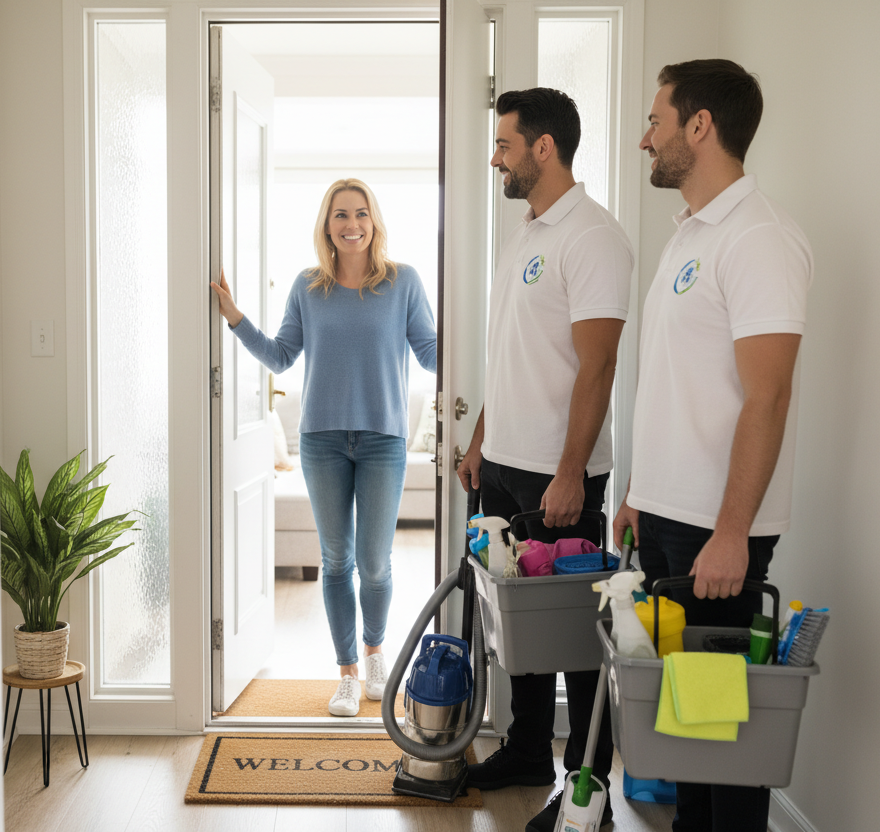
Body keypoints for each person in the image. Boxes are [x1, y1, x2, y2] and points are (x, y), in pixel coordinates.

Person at [613, 60, 813, 832]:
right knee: (683, 732)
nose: (645, 138)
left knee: (726, 742)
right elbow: (675, 382)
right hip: (669, 518)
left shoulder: (759, 238)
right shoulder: (690, 235)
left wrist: (732, 532)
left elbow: (769, 395)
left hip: (715, 534)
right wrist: (637, 490)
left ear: (700, 127)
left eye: (657, 121)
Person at [457, 88, 633, 832]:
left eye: (504, 144)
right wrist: (481, 440)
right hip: (502, 464)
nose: (495, 156)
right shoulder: (525, 234)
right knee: (516, 628)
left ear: (544, 148)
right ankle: (528, 749)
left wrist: (570, 472)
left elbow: (597, 367)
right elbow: (515, 356)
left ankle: (585, 785)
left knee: (572, 636)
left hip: (556, 475)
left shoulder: (591, 238)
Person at [210, 178, 437, 717]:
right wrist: (235, 317)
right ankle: (346, 673)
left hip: (383, 440)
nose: (352, 223)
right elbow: (282, 354)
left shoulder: (403, 282)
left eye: (361, 213)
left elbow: (430, 354)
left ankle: (376, 652)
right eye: (341, 214)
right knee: (336, 562)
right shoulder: (308, 286)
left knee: (375, 563)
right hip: (322, 441)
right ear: (327, 224)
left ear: (374, 221)